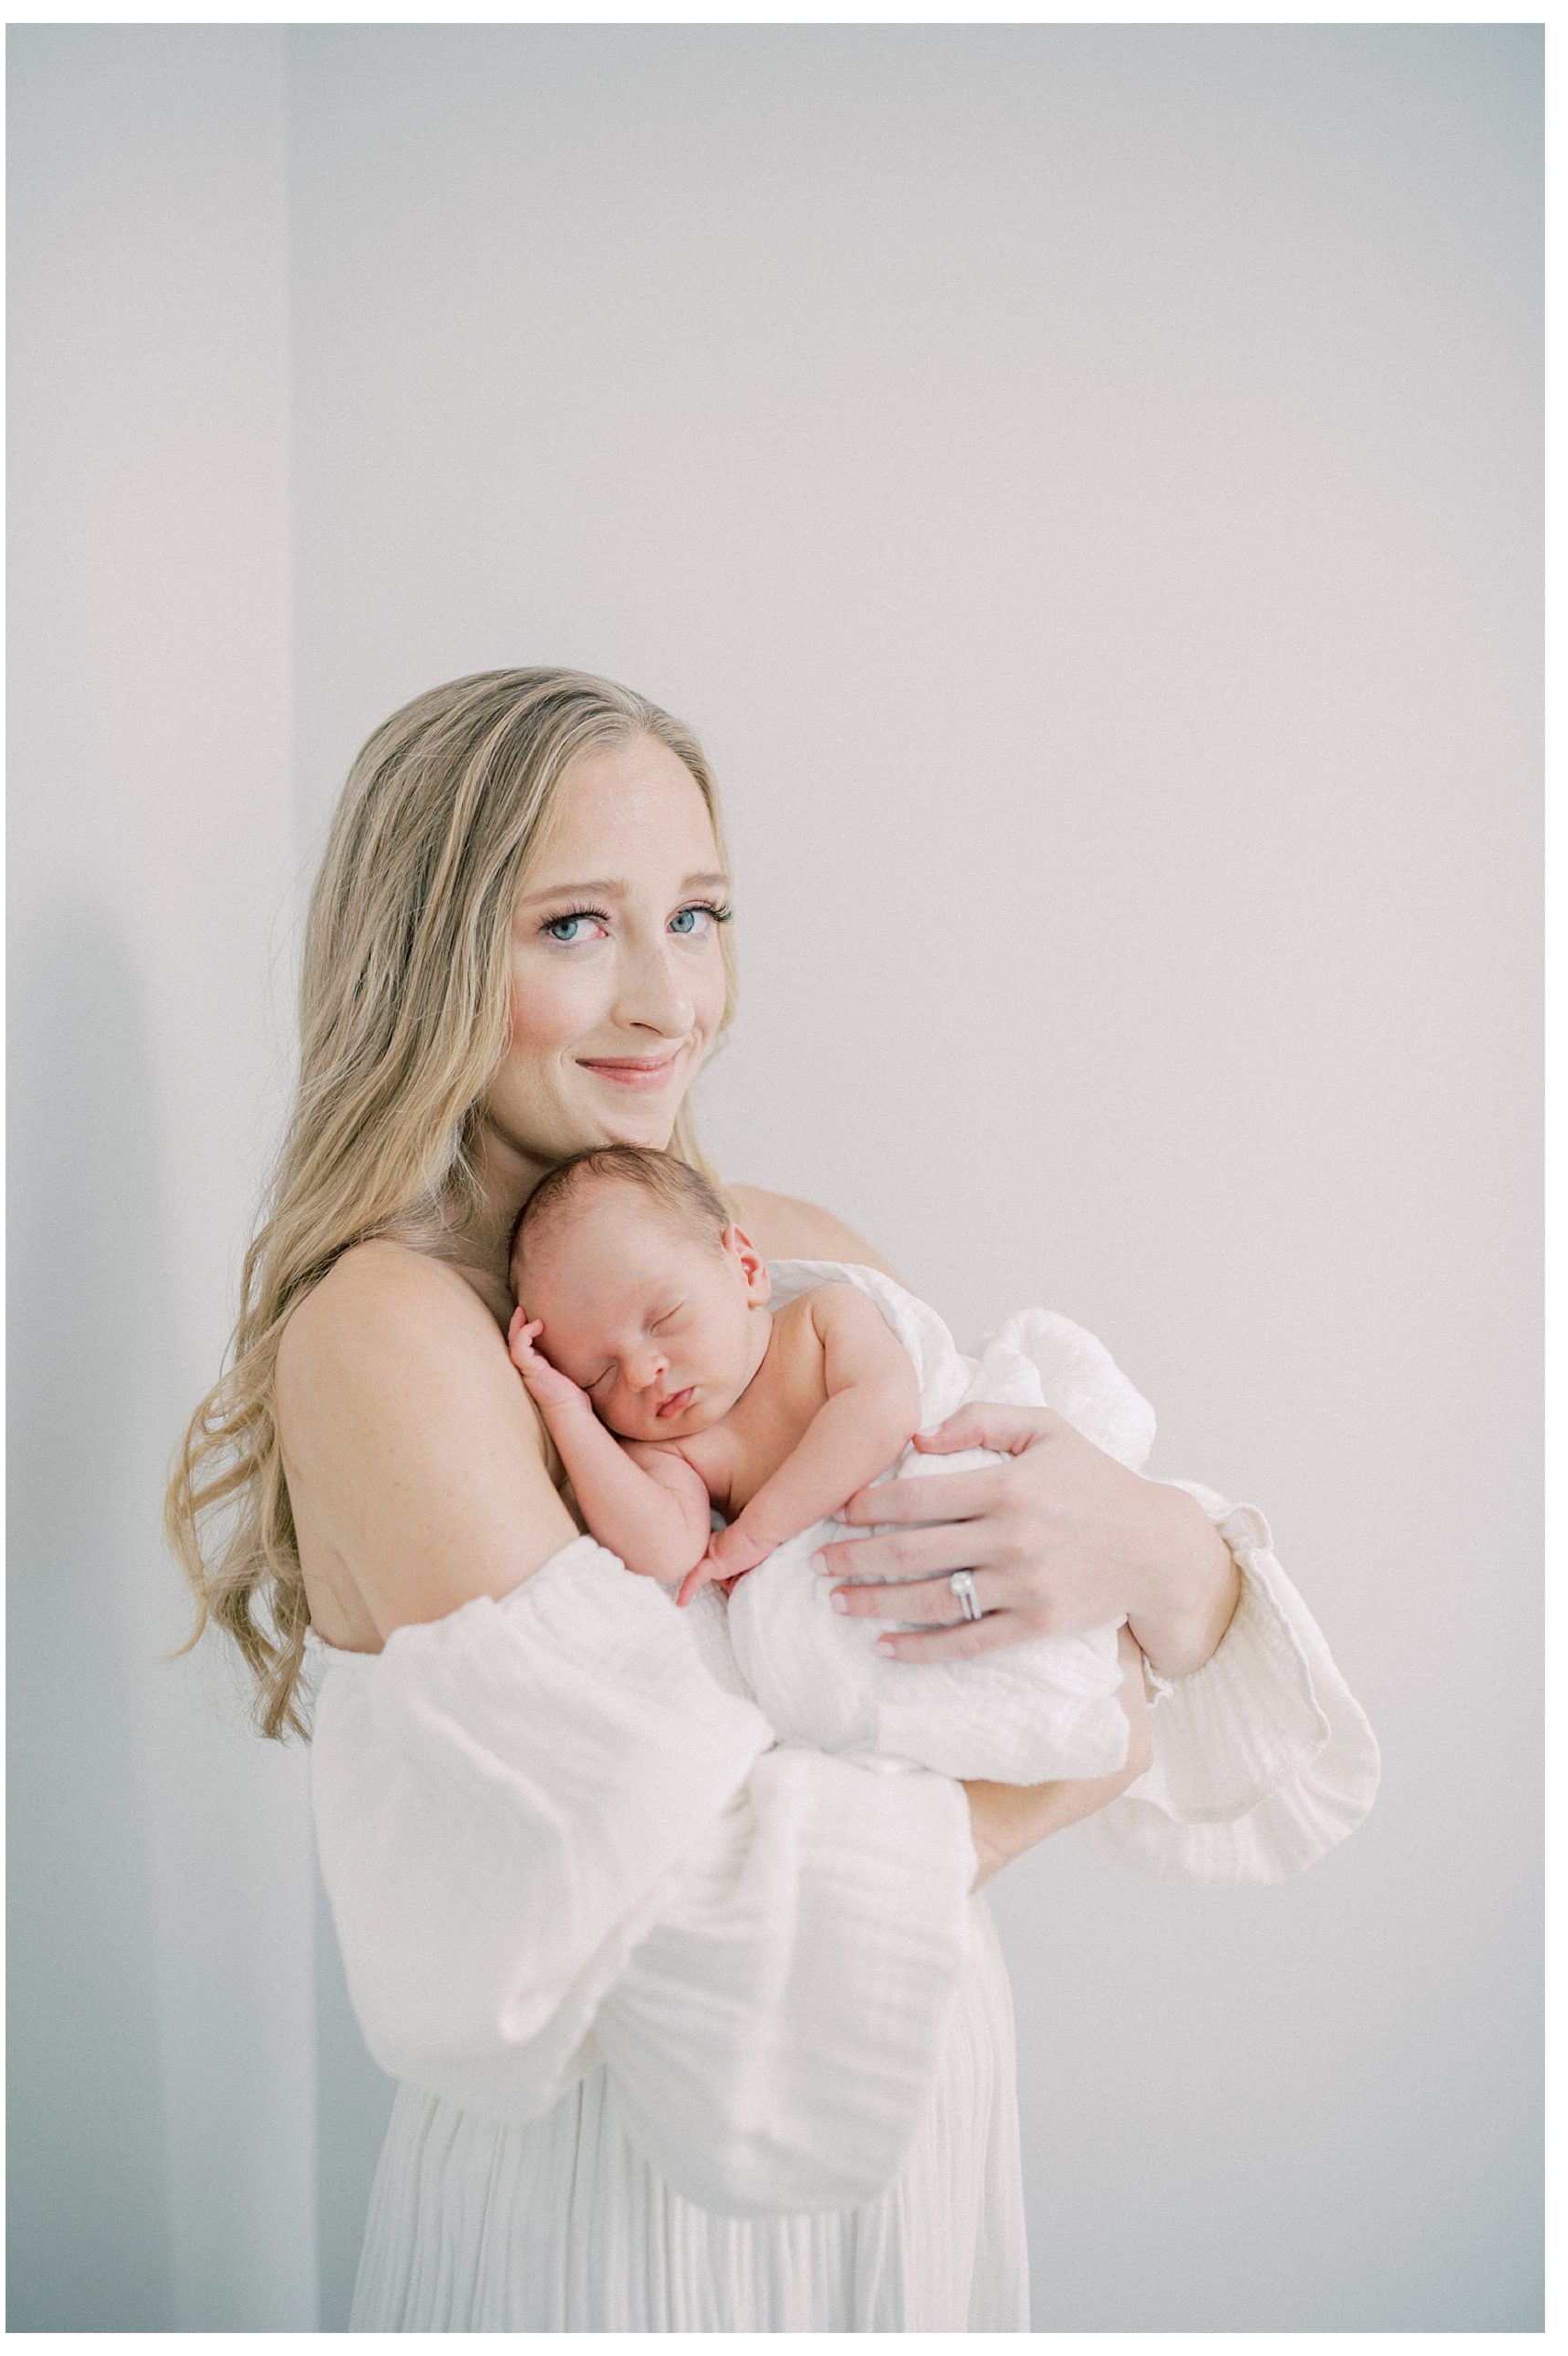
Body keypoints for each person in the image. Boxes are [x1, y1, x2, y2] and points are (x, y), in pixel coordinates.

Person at [166, 665, 1380, 2332]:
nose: (665, 999)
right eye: (576, 926)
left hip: (926, 2107)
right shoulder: (392, 1333)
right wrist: (1084, 1747)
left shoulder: (803, 1253)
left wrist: (1158, 1548)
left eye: (697, 914)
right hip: (628, 2201)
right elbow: (689, 1920)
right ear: (430, 953)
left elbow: (1107, 1662)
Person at [506, 1139, 1139, 1784]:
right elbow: (664, 1550)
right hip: (869, 1614)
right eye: (598, 1373)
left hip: (961, 1519)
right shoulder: (675, 1450)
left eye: (663, 1318)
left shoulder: (819, 1319)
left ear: (745, 1267)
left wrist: (756, 1534)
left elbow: (883, 1410)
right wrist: (567, 1413)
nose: (642, 1372)